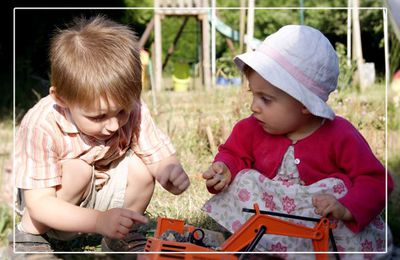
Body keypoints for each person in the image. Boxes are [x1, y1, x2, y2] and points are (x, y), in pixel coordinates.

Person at [202, 25, 393, 258]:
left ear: (305, 103)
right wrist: (225, 169)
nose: (254, 106)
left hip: (321, 225)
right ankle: (262, 248)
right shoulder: (250, 128)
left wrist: (346, 207)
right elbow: (233, 154)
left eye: (266, 99)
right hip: (271, 221)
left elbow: (376, 180)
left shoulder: (340, 134)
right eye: (253, 94)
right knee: (244, 179)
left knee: (336, 188)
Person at [13, 15, 190, 252]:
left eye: (121, 112)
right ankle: (30, 238)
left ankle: (123, 236)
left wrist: (169, 171)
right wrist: (98, 221)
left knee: (142, 167)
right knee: (78, 170)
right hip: (52, 205)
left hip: (102, 192)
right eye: (97, 117)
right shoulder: (41, 124)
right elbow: (40, 204)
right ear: (61, 99)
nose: (113, 126)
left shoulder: (132, 109)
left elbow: (158, 155)